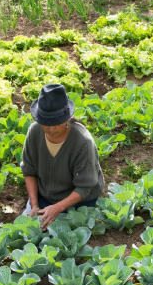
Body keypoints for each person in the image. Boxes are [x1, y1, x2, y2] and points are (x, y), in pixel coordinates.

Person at [21, 84, 105, 229]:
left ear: (67, 118)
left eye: (56, 123)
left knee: (61, 233)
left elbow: (84, 188)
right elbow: (29, 171)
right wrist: (34, 205)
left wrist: (57, 208)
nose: (51, 129)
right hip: (44, 198)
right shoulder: (34, 132)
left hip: (79, 202)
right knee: (27, 229)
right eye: (46, 123)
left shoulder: (82, 141)